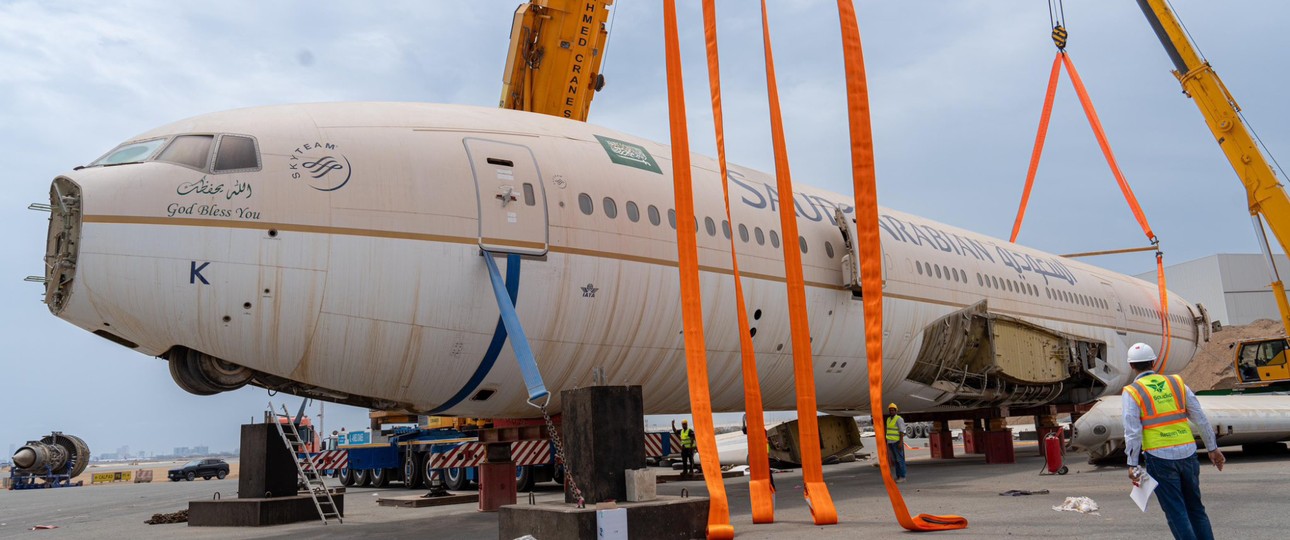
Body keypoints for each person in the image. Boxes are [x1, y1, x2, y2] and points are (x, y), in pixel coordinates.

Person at [1123, 342, 1225, 540]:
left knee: (1176, 511)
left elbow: (1132, 431)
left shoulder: (1133, 392)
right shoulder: (1177, 383)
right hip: (1187, 453)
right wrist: (1213, 448)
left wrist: (1132, 464)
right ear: (1153, 362)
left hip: (1159, 456)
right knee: (1196, 508)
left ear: (1131, 366)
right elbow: (1200, 418)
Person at [885, 403, 907, 483]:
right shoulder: (888, 419)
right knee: (896, 461)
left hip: (897, 442)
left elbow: (902, 431)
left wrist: (901, 442)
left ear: (896, 410)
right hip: (890, 442)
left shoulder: (899, 419)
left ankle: (903, 476)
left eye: (893, 410)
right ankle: (898, 476)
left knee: (900, 460)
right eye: (890, 410)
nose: (891, 411)